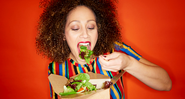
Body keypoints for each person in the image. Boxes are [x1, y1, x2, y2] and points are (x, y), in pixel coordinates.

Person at [36, 0, 172, 99]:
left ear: (98, 30)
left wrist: (129, 63)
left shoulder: (115, 50)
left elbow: (166, 84)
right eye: (75, 28)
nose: (85, 34)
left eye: (91, 27)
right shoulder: (56, 69)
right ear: (63, 35)